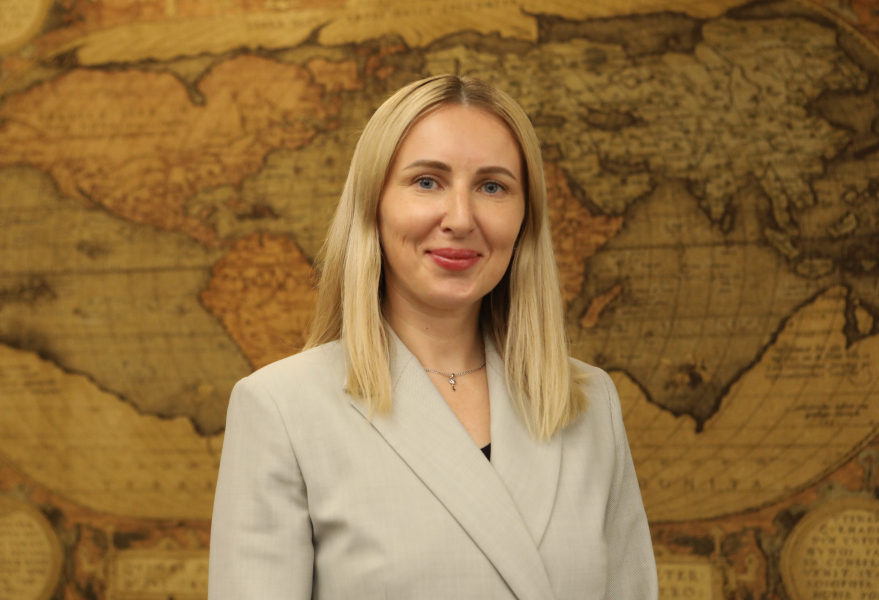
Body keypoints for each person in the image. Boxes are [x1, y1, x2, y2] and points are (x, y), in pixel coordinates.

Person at [208, 74, 657, 600]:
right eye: (427, 182)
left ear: (525, 218)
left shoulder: (591, 403)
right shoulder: (281, 408)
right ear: (373, 206)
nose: (461, 219)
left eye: (493, 187)